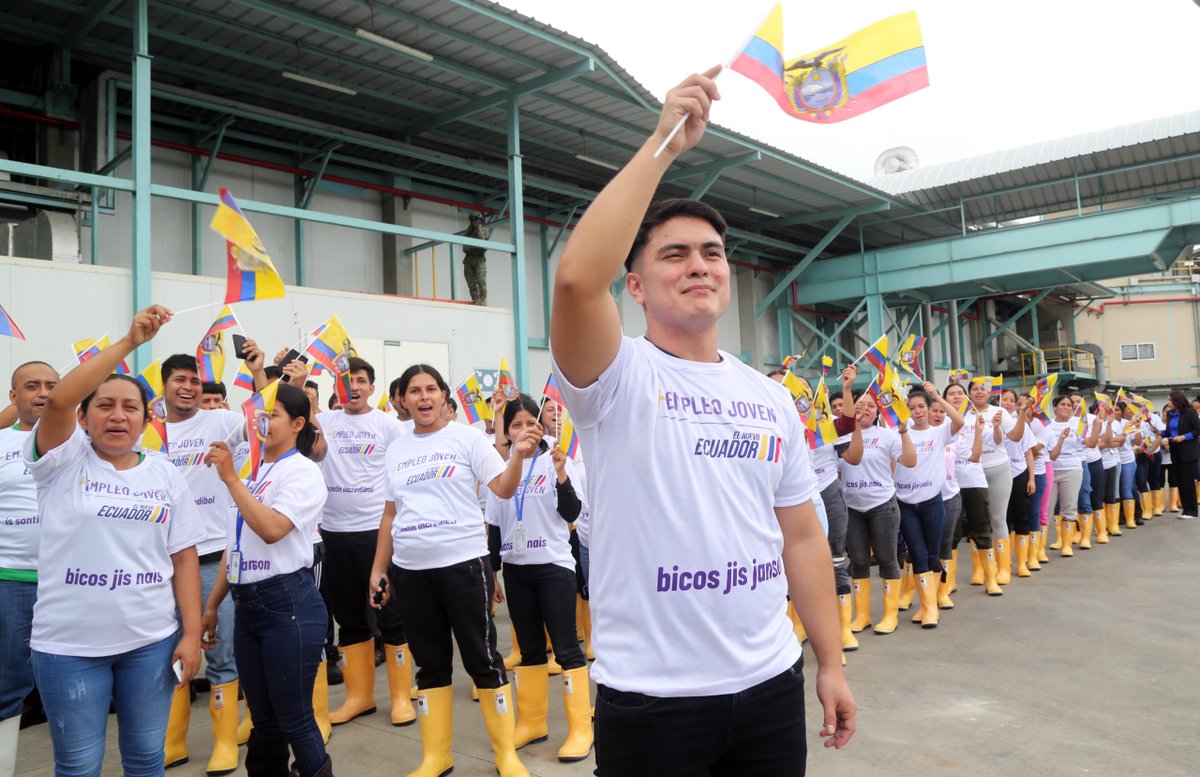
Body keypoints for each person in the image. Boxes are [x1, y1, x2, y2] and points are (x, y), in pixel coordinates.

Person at [548, 67, 854, 775]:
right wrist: (663, 145)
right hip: (654, 702)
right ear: (635, 285)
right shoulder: (616, 376)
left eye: (712, 253)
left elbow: (802, 536)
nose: (699, 265)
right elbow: (576, 281)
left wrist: (831, 662)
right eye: (674, 254)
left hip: (771, 684)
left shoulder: (769, 398)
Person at [25, 305, 205, 777]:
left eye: (131, 407)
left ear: (146, 420)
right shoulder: (62, 462)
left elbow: (184, 557)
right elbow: (58, 402)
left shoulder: (164, 474)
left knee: (146, 760)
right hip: (68, 648)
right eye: (105, 405)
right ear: (83, 418)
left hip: (150, 644)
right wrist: (129, 343)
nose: (118, 416)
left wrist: (190, 634)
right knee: (79, 767)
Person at [370, 364, 539, 777]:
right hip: (411, 571)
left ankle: (506, 754)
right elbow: (390, 514)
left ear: (444, 396)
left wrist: (517, 455)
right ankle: (436, 756)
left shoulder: (466, 438)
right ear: (402, 399)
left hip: (463, 565)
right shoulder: (396, 449)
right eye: (414, 391)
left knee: (483, 659)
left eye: (431, 389)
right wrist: (379, 569)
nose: (423, 397)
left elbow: (503, 488)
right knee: (430, 664)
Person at [201, 382, 332, 777]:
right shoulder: (251, 473)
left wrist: (231, 480)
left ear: (298, 423)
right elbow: (235, 546)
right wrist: (213, 604)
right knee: (264, 720)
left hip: (288, 604)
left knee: (295, 719)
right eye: (258, 415)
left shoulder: (303, 471)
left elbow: (272, 529)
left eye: (272, 415)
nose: (261, 422)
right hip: (247, 606)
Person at [155, 351, 255, 773]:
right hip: (162, 564)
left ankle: (225, 742)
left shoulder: (220, 421)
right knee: (170, 652)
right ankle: (173, 742)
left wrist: (259, 370)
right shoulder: (149, 430)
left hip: (214, 557)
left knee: (221, 651)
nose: (188, 387)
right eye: (180, 380)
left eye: (194, 381)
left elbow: (262, 420)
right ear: (164, 385)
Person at [484, 394, 592, 761]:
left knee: (565, 647)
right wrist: (493, 574)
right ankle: (532, 723)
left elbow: (572, 513)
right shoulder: (501, 469)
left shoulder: (555, 460)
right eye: (516, 424)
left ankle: (581, 728)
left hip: (553, 566)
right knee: (529, 649)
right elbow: (495, 526)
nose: (524, 430)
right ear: (507, 432)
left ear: (541, 427)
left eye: (531, 423)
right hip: (516, 569)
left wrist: (561, 474)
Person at [316, 357, 413, 727]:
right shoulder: (324, 421)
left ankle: (401, 697)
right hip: (333, 533)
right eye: (346, 380)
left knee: (390, 615)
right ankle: (360, 697)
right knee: (349, 619)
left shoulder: (388, 426)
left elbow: (404, 475)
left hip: (377, 533)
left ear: (372, 387)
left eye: (360, 380)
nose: (353, 387)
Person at [0, 361, 58, 773]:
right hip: (11, 581)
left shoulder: (83, 442)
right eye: (32, 385)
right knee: (8, 686)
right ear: (13, 396)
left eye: (52, 385)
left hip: (70, 583)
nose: (43, 392)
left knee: (69, 683)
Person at [842, 395, 916, 635]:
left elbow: (910, 461)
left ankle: (890, 615)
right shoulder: (841, 435)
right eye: (859, 404)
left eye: (871, 405)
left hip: (882, 505)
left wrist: (903, 432)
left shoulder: (887, 435)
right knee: (859, 561)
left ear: (877, 412)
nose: (865, 409)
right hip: (852, 507)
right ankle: (862, 616)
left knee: (887, 559)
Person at [894, 384, 965, 628]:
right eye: (912, 408)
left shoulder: (939, 432)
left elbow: (959, 420)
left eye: (921, 406)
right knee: (918, 554)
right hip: (905, 504)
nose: (917, 411)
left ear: (928, 408)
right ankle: (929, 607)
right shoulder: (900, 432)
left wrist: (937, 396)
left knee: (933, 554)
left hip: (932, 502)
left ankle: (929, 607)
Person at [944, 382, 1000, 595]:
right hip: (949, 485)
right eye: (951, 394)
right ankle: (948, 581)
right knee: (951, 535)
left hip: (974, 481)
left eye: (960, 393)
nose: (957, 396)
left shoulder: (975, 417)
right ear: (944, 398)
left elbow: (993, 443)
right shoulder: (940, 420)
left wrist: (986, 428)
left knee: (982, 530)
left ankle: (990, 579)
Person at [967, 379, 1020, 585]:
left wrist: (1021, 415)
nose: (979, 392)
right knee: (977, 521)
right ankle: (980, 568)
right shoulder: (963, 414)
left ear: (989, 393)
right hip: (972, 472)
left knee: (998, 519)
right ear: (969, 393)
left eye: (983, 389)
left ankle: (1003, 568)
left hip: (998, 469)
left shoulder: (999, 412)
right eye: (975, 389)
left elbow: (1013, 437)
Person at [1040, 396, 1100, 556]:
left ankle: (1067, 546)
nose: (1066, 407)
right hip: (1050, 470)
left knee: (1069, 508)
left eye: (1069, 405)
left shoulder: (1077, 424)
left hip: (1072, 469)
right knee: (1046, 509)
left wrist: (1097, 428)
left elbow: (1091, 443)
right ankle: (1039, 549)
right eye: (1062, 404)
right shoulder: (1048, 425)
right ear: (1055, 407)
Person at [999, 390, 1042, 570]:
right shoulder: (992, 422)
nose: (1008, 403)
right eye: (1004, 399)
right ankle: (1004, 562)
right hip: (1000, 475)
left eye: (1012, 400)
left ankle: (1022, 563)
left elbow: (1028, 452)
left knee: (1021, 518)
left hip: (1019, 473)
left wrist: (1031, 478)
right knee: (1003, 519)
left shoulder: (1021, 423)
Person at [463, 212, 490, 306]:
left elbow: (482, 240)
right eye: (473, 220)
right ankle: (475, 299)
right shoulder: (469, 231)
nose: (475, 222)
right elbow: (465, 247)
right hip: (469, 259)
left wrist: (478, 229)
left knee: (480, 280)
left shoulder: (484, 230)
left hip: (479, 259)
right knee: (471, 281)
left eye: (477, 220)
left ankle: (483, 299)